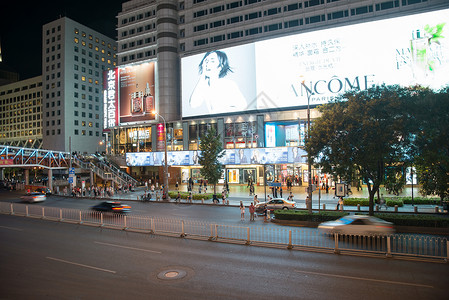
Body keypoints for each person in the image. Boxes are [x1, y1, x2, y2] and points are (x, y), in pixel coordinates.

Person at [189, 50, 247, 114]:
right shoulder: (204, 86)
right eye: (206, 61)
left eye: (212, 61)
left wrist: (222, 111)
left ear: (221, 66)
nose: (208, 64)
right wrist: (203, 74)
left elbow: (243, 106)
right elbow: (193, 104)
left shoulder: (229, 84)